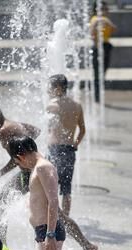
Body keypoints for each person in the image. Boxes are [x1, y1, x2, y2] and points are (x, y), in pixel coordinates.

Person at [0, 100, 98, 250]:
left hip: (28, 175)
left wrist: (0, 173)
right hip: (32, 171)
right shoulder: (12, 124)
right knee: (57, 215)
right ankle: (88, 247)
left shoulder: (4, 131)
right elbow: (36, 131)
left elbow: (16, 157)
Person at [46, 74, 85, 215]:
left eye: (49, 87)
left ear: (58, 88)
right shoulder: (77, 106)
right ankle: (66, 220)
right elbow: (82, 130)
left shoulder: (52, 106)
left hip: (54, 150)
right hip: (69, 150)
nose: (47, 91)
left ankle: (53, 218)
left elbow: (50, 129)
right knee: (66, 189)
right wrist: (75, 143)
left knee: (51, 187)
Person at [89, 1, 116, 104]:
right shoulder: (95, 19)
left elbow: (113, 30)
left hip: (106, 46)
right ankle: (96, 97)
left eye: (105, 9)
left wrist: (108, 23)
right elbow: (91, 34)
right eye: (102, 9)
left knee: (103, 72)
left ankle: (98, 95)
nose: (104, 11)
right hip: (98, 47)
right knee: (97, 73)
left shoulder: (106, 20)